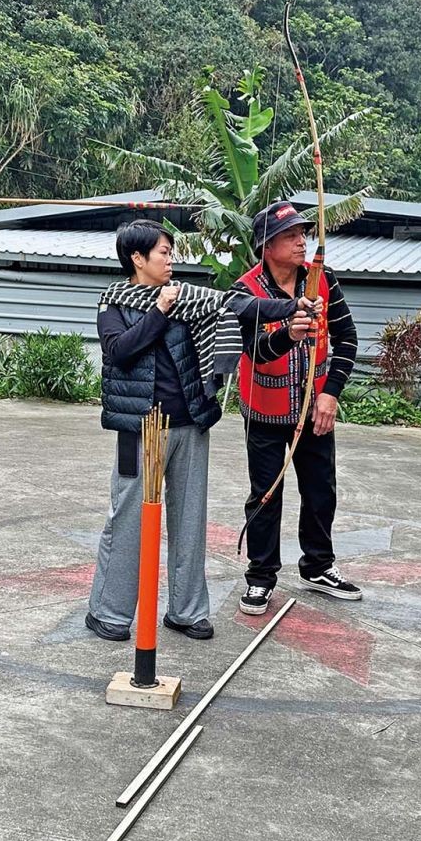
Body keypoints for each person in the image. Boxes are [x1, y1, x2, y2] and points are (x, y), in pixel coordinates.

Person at [86, 220, 301, 642]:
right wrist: (159, 311)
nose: (171, 260)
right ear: (137, 258)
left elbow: (238, 304)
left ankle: (186, 612)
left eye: (171, 252)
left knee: (190, 519)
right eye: (163, 252)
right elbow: (119, 351)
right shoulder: (113, 303)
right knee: (128, 519)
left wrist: (293, 308)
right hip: (140, 428)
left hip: (189, 423)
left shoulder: (187, 296)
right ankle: (109, 613)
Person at [232, 201, 361, 615]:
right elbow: (255, 351)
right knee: (266, 495)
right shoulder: (245, 291)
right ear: (266, 246)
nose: (301, 242)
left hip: (314, 410)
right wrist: (288, 334)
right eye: (289, 236)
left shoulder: (322, 279)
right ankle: (261, 576)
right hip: (264, 412)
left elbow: (348, 339)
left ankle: (318, 566)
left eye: (302, 234)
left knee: (321, 489)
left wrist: (330, 394)